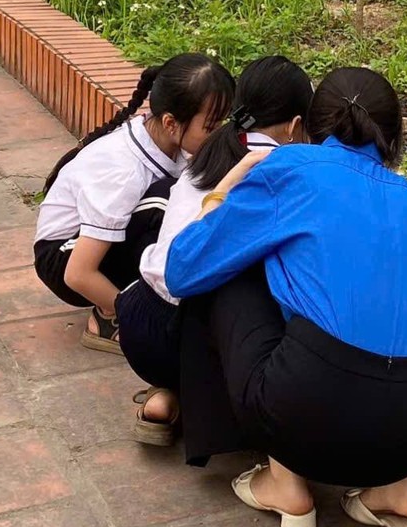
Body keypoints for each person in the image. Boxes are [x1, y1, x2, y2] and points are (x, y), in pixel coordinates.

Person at [164, 67, 407, 527]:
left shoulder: (292, 167)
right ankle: (402, 487)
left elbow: (184, 269)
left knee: (233, 272)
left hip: (309, 417)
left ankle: (285, 483)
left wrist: (219, 196)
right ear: (393, 137)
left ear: (304, 127)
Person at [120, 55, 313, 447]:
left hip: (138, 320)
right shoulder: (278, 167)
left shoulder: (214, 148)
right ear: (296, 126)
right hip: (187, 335)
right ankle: (201, 401)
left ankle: (167, 395)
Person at [32, 54, 233, 350]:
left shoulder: (164, 140)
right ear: (171, 123)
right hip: (63, 259)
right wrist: (136, 319)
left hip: (91, 248)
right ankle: (109, 317)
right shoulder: (123, 171)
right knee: (168, 201)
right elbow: (78, 273)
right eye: (212, 127)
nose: (220, 135)